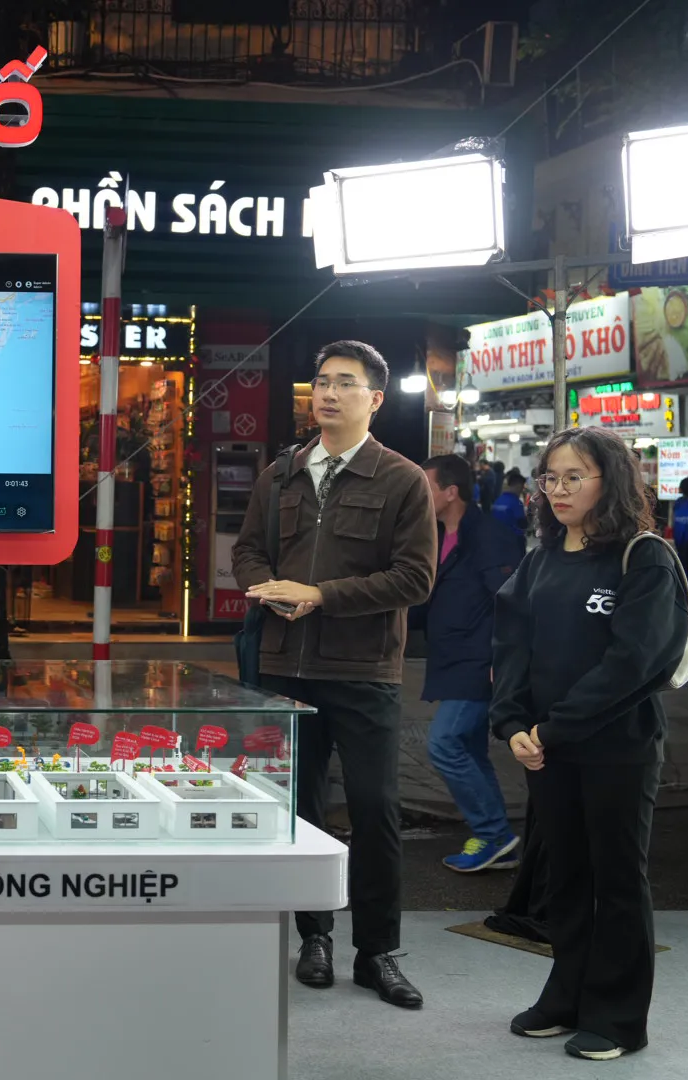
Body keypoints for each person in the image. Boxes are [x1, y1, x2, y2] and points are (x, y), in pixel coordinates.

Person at [233, 340, 437, 1009]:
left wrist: (321, 595)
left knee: (376, 809)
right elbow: (248, 551)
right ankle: (313, 938)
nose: (328, 392)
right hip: (284, 666)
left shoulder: (402, 479)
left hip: (364, 669)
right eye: (322, 381)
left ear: (374, 399)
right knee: (300, 809)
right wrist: (268, 589)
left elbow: (415, 578)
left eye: (345, 383)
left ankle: (378, 952)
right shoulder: (281, 473)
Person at [490, 427, 687, 1061]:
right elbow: (512, 647)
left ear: (611, 480)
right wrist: (513, 724)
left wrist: (553, 728)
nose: (558, 489)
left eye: (574, 476)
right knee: (566, 877)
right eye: (550, 477)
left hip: (618, 749)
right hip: (546, 749)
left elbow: (634, 664)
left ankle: (619, 1018)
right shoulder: (541, 558)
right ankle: (567, 995)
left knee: (617, 879)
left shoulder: (643, 557)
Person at [418, 455, 524, 872]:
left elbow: (511, 601)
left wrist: (505, 657)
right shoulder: (438, 534)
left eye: (426, 487)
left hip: (479, 659)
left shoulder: (489, 536)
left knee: (444, 744)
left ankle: (494, 832)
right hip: (453, 656)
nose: (419, 495)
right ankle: (499, 844)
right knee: (469, 749)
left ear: (451, 492)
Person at [491, 468, 529, 536]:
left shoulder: (497, 500)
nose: (521, 490)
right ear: (518, 486)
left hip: (496, 536)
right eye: (521, 487)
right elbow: (522, 524)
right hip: (513, 538)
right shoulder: (517, 503)